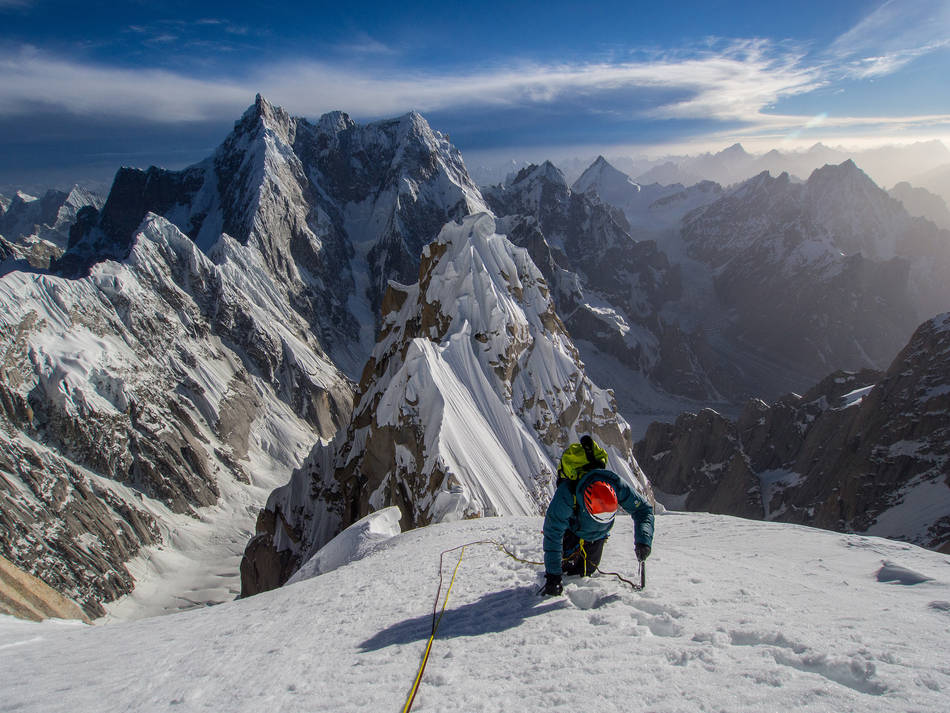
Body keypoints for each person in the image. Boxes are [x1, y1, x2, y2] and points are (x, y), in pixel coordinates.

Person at [541, 436, 654, 595]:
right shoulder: (567, 494)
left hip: (598, 536)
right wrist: (553, 576)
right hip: (573, 532)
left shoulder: (616, 485)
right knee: (568, 569)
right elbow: (553, 532)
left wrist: (644, 541)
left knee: (586, 570)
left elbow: (643, 509)